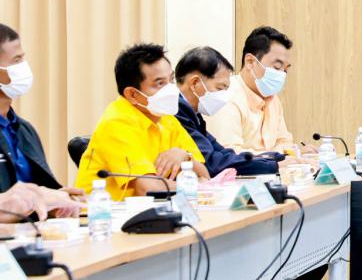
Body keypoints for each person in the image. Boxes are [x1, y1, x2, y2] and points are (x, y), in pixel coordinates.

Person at [76, 44, 208, 199]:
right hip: (101, 211)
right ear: (132, 94)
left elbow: (205, 175)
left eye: (171, 80)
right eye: (160, 83)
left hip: (153, 209)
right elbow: (148, 189)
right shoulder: (117, 123)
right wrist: (195, 184)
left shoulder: (166, 118)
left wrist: (185, 156)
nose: (171, 90)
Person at [174, 47, 284, 177]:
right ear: (195, 83)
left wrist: (277, 158)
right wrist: (274, 165)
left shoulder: (193, 115)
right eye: (220, 88)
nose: (223, 97)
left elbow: (224, 153)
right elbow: (212, 163)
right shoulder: (176, 112)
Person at [207, 26, 301, 155]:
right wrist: (276, 156)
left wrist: (292, 153)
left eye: (285, 70)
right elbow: (230, 155)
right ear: (250, 62)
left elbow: (285, 142)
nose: (282, 75)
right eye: (277, 67)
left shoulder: (272, 99)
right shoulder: (226, 97)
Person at [0, 23, 65, 192]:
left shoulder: (25, 130)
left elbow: (41, 189)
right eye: (16, 60)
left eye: (22, 59)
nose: (24, 67)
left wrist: (60, 196)